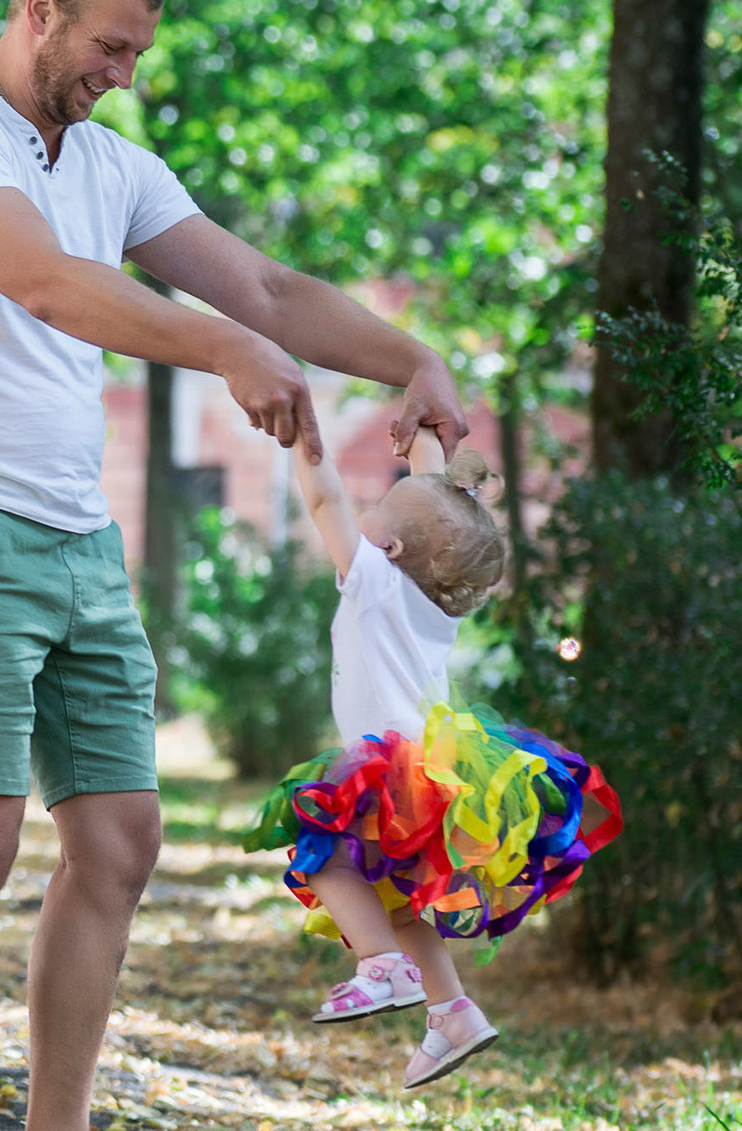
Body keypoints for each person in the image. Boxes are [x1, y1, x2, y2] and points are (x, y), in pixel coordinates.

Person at [0, 0, 471, 1131]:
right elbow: (48, 284)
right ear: (38, 6)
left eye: (138, 53)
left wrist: (405, 357)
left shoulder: (115, 163)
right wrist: (221, 351)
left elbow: (264, 281)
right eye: (109, 46)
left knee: (119, 842)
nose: (122, 72)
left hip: (75, 539)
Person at [245, 434, 620, 1087]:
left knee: (322, 849)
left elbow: (326, 495)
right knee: (401, 898)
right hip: (434, 767)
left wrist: (303, 434)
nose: (361, 510)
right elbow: (431, 499)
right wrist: (422, 430)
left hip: (386, 764)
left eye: (376, 509)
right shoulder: (427, 597)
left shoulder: (374, 582)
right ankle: (453, 1012)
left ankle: (383, 968)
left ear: (387, 548)